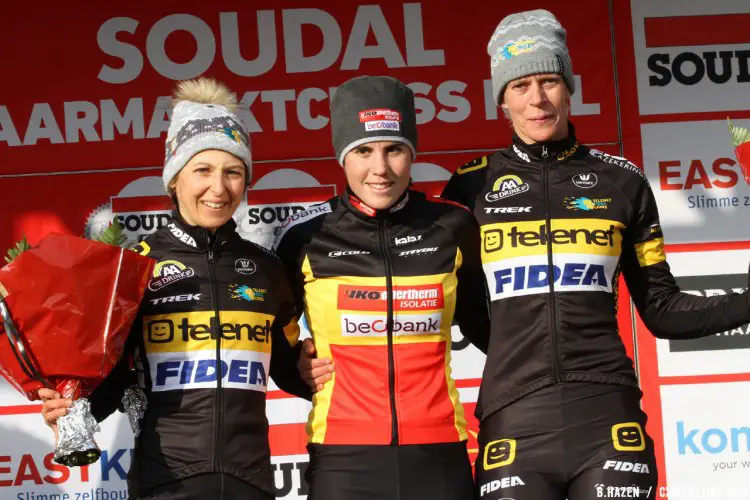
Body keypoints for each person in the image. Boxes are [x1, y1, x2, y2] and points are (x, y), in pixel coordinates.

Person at [437, 9, 750, 500]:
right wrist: (517, 351)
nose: (537, 100)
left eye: (549, 81)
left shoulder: (621, 181)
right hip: (515, 415)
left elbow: (663, 310)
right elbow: (463, 307)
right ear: (502, 100)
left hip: (606, 412)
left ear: (569, 87)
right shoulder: (470, 187)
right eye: (520, 87)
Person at [40, 77, 311, 500]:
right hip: (165, 484)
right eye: (202, 170)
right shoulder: (133, 269)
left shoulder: (266, 269)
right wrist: (72, 406)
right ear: (174, 179)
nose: (218, 189)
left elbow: (289, 369)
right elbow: (110, 381)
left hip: (250, 481)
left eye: (233, 172)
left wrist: (325, 368)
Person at [272, 75, 490, 500]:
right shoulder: (305, 235)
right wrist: (296, 371)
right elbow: (271, 337)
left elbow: (490, 330)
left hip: (439, 450)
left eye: (394, 149)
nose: (380, 168)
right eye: (363, 151)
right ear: (342, 158)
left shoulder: (453, 225)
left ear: (412, 154)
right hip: (343, 455)